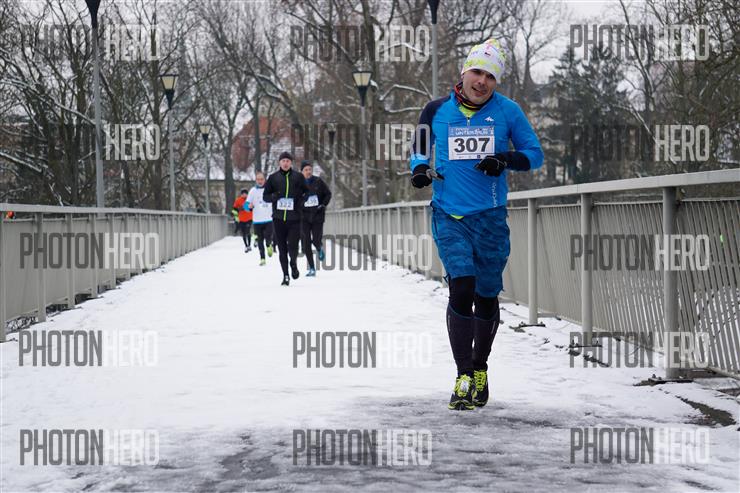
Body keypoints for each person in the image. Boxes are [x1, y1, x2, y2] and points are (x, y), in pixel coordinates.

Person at [409, 39, 543, 410]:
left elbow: (534, 155)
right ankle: (463, 375)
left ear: (496, 82)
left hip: (491, 218)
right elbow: (419, 147)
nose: (482, 81)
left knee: (485, 293)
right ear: (464, 72)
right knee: (461, 287)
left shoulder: (508, 111)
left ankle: (480, 368)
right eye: (477, 72)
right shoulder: (435, 110)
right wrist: (419, 168)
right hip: (449, 215)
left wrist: (504, 159)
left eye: (490, 77)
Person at [262, 151, 308, 286]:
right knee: (282, 249)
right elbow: (265, 196)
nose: (285, 163)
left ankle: (293, 263)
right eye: (283, 161)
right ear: (279, 163)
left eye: (288, 161)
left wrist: (301, 201)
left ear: (291, 163)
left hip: (294, 218)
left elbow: (307, 192)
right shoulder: (273, 178)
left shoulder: (298, 177)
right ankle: (285, 275)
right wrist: (273, 197)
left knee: (293, 246)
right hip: (278, 219)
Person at [299, 160, 332, 276]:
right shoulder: (298, 184)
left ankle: (319, 247)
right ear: (302, 172)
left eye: (310, 169)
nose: (308, 172)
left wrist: (323, 204)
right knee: (306, 243)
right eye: (306, 170)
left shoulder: (318, 181)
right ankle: (312, 268)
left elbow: (328, 194)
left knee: (316, 239)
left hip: (317, 215)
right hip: (304, 217)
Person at [246, 171, 274, 266]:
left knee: (268, 237)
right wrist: (248, 206)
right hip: (257, 221)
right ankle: (262, 259)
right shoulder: (253, 191)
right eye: (258, 179)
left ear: (264, 180)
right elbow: (246, 205)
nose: (260, 181)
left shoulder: (269, 189)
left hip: (269, 219)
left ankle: (269, 245)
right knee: (260, 240)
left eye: (261, 179)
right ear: (256, 180)